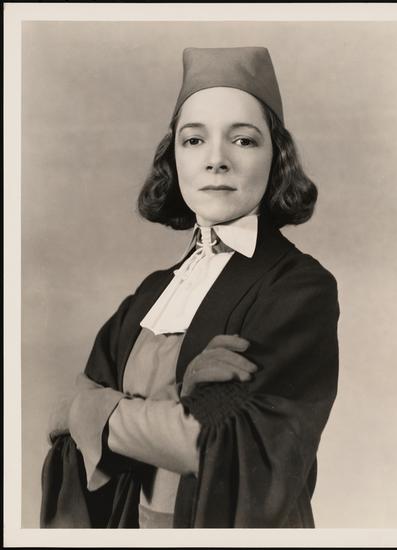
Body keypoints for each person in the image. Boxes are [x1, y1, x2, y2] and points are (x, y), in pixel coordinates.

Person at [40, 46, 340, 529]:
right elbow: (74, 441)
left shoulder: (298, 288)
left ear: (276, 157)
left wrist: (85, 411)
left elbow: (215, 445)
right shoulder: (151, 293)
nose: (216, 160)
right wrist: (173, 407)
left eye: (243, 140)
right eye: (194, 140)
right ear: (174, 156)